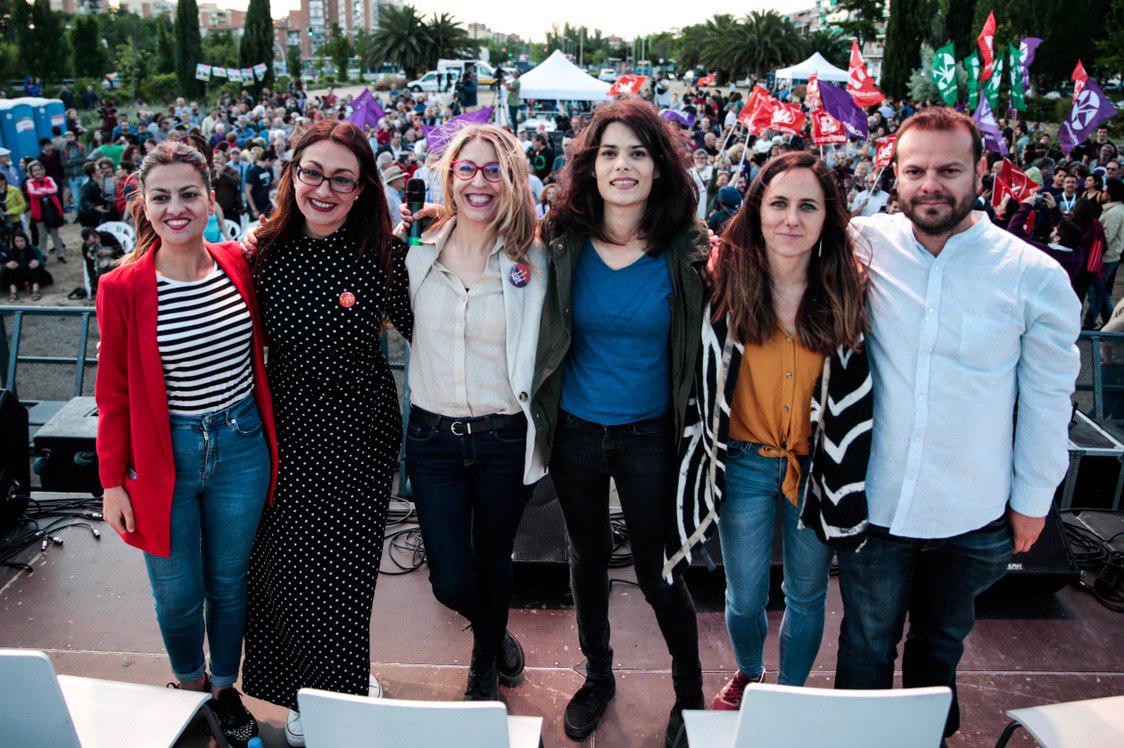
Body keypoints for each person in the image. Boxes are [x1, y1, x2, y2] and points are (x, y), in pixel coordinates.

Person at [834, 107, 1080, 739]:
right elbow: (767, 241)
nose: (930, 185)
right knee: (865, 645)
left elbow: (1049, 401)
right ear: (895, 173)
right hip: (876, 507)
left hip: (974, 516)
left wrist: (1033, 502)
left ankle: (926, 738)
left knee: (940, 647)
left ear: (980, 171)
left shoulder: (1034, 276)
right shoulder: (860, 241)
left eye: (948, 170)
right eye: (915, 170)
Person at [665, 151, 871, 711]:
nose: (791, 219)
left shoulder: (848, 291)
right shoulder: (723, 284)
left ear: (828, 216)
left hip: (817, 468)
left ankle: (791, 693)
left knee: (806, 594)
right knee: (744, 595)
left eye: (808, 206)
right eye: (778, 203)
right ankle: (750, 672)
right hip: (744, 464)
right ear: (757, 210)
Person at [532, 97, 707, 746]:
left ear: (659, 167)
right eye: (609, 153)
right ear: (591, 166)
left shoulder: (689, 251)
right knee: (587, 559)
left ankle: (689, 695)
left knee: (661, 573)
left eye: (637, 152)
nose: (622, 165)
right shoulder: (561, 243)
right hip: (575, 432)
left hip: (650, 437)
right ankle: (598, 675)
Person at [94, 140, 278, 748]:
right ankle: (189, 686)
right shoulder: (121, 286)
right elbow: (112, 392)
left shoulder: (237, 261)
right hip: (162, 457)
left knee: (229, 584)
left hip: (241, 447)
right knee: (176, 595)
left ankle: (224, 689)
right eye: (162, 196)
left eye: (189, 194)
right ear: (143, 206)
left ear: (210, 198)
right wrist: (112, 482)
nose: (176, 207)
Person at [240, 120, 412, 748]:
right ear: (292, 176)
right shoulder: (260, 253)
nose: (324, 189)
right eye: (312, 173)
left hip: (359, 436)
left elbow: (438, 327)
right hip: (282, 436)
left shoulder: (385, 255)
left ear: (363, 188)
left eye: (342, 178)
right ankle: (303, 694)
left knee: (343, 574)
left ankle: (338, 698)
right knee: (281, 570)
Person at [394, 124, 546, 701]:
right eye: (467, 168)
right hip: (433, 439)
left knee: (495, 558)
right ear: (449, 176)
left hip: (504, 437)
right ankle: (496, 632)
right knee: (450, 580)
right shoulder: (414, 251)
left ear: (512, 180)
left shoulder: (535, 259)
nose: (478, 182)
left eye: (493, 170)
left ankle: (484, 666)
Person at [25, 160, 66, 260]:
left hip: (51, 210)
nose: (37, 172)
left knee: (54, 232)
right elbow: (32, 193)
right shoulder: (29, 182)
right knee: (42, 234)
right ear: (31, 172)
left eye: (39, 170)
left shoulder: (49, 179)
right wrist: (47, 191)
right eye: (34, 170)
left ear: (42, 170)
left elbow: (55, 189)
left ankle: (60, 253)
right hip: (38, 211)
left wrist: (42, 190)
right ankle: (42, 254)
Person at [2, 231, 48, 301]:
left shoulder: (33, 248)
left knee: (34, 267)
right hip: (19, 278)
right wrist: (7, 265)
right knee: (11, 269)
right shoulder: (11, 251)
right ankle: (13, 292)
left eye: (22, 241)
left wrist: (38, 262)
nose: (20, 243)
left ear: (26, 240)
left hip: (33, 276)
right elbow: (4, 263)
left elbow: (42, 261)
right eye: (17, 241)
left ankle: (35, 291)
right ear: (14, 242)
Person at [243, 148, 275, 221]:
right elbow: (247, 191)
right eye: (272, 162)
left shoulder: (269, 169)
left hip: (268, 205)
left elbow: (272, 184)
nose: (273, 164)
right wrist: (254, 209)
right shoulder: (253, 171)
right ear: (267, 160)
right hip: (257, 207)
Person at [0, 171, 28, 236]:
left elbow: (23, 205)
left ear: (3, 181)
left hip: (15, 220)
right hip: (1, 223)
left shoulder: (14, 190)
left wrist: (11, 211)